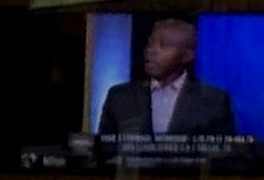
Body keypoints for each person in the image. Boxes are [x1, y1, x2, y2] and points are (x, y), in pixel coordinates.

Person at [92, 13, 239, 139]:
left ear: (187, 55)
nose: (151, 51)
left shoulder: (214, 100)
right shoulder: (119, 96)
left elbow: (222, 158)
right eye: (150, 43)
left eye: (164, 45)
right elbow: (104, 152)